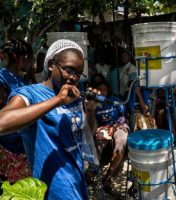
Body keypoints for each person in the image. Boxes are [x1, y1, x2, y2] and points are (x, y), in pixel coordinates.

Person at [0, 39, 98, 199]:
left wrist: (91, 110)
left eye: (78, 73)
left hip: (76, 182)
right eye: (69, 70)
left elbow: (85, 135)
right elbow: (2, 123)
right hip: (54, 189)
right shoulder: (30, 94)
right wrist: (58, 100)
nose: (74, 78)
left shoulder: (73, 96)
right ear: (52, 64)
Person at [0, 38, 33, 182]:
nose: (32, 64)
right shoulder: (3, 78)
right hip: (8, 149)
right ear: (23, 58)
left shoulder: (20, 79)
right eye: (31, 59)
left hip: (20, 146)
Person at [90, 79, 129, 193]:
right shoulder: (94, 103)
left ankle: (108, 176)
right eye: (100, 90)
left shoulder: (114, 100)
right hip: (104, 127)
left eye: (105, 90)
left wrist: (118, 124)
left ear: (108, 91)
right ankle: (91, 173)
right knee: (98, 145)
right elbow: (92, 121)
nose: (102, 92)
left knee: (121, 142)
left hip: (118, 125)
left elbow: (123, 115)